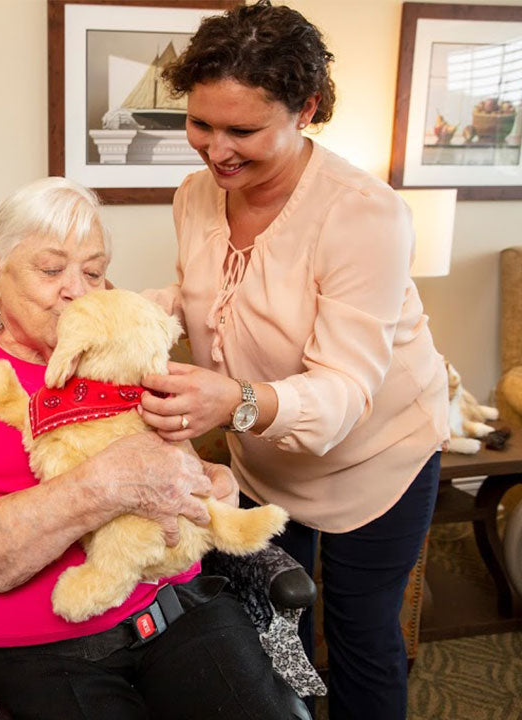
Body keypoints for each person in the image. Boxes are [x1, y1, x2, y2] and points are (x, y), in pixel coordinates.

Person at [0, 177, 305, 719]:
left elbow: (185, 469)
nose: (76, 291)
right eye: (52, 269)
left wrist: (213, 486)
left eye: (93, 271)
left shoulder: (119, 345)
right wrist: (107, 484)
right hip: (34, 647)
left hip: (171, 607)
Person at [137, 3, 449, 719]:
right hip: (267, 456)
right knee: (275, 621)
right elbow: (201, 297)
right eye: (201, 125)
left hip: (378, 456)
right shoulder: (196, 195)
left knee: (360, 630)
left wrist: (235, 402)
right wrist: (122, 319)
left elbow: (343, 391)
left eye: (243, 131)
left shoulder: (363, 214)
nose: (217, 151)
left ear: (305, 108)